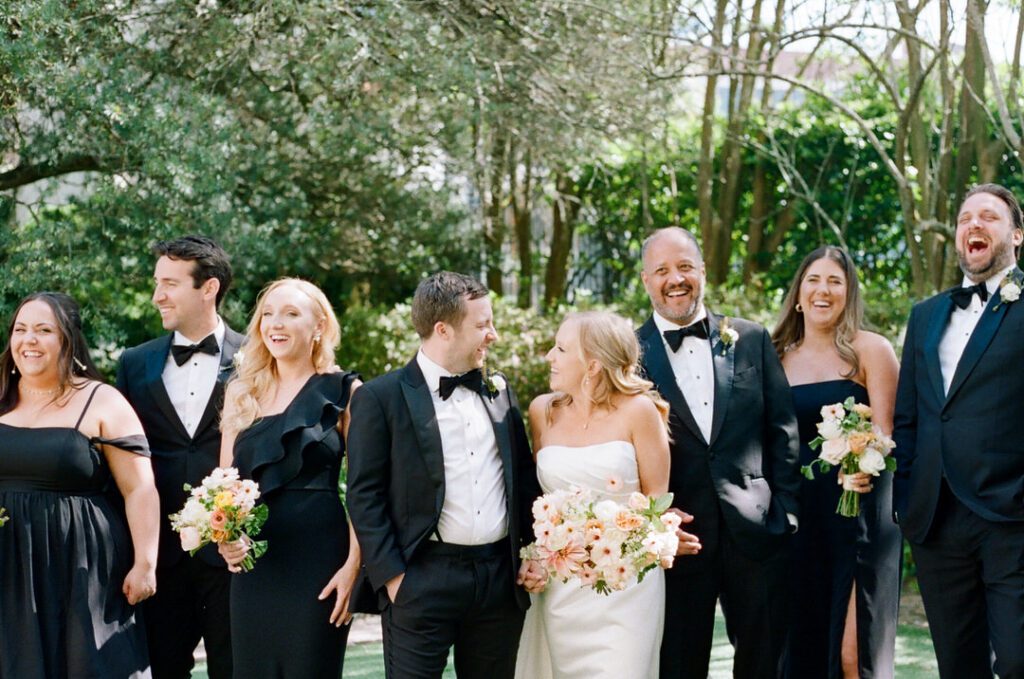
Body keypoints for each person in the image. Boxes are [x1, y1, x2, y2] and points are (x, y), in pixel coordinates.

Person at [346, 271, 540, 679]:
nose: (494, 334)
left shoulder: (499, 389)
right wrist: (395, 580)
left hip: (498, 579)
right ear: (443, 330)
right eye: (483, 324)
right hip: (421, 578)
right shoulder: (379, 398)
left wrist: (532, 550)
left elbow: (522, 476)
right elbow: (364, 495)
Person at [636, 227, 801, 679]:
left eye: (686, 267)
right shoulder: (629, 354)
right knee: (680, 663)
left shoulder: (749, 338)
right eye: (663, 270)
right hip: (679, 540)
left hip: (757, 530)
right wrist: (652, 529)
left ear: (703, 271)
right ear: (646, 280)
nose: (676, 279)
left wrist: (786, 514)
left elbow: (782, 429)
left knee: (764, 660)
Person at [893, 183, 1024, 679]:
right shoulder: (926, 315)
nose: (973, 225)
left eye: (988, 217)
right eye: (965, 217)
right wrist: (906, 500)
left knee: (1016, 659)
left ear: (1016, 235)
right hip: (936, 519)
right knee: (957, 664)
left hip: (1011, 516)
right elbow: (910, 416)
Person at [0, 292, 159, 678]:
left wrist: (145, 563)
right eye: (20, 330)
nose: (29, 340)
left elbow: (139, 488)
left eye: (43, 330)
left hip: (82, 564)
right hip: (7, 565)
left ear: (68, 339)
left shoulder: (102, 401)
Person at [216, 277, 362, 678]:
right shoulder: (241, 391)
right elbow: (223, 486)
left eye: (291, 313)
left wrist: (354, 568)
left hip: (320, 562)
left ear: (319, 326)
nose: (275, 324)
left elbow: (368, 490)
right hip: (254, 565)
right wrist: (226, 538)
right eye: (268, 314)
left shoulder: (346, 391)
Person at [514, 310, 672, 679]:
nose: (550, 357)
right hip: (560, 584)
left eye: (561, 349)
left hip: (626, 584)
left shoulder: (640, 411)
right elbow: (537, 500)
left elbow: (656, 504)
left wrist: (618, 545)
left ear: (593, 365)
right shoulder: (543, 412)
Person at [116, 235, 243, 679]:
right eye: (157, 283)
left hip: (233, 556)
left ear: (208, 288)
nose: (157, 296)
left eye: (169, 283)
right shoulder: (134, 363)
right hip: (160, 556)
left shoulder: (256, 359)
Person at [771, 246, 901, 679]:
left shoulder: (871, 350)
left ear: (849, 294)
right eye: (813, 280)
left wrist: (866, 457)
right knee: (800, 648)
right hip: (797, 522)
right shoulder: (776, 356)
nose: (822, 290)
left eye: (834, 282)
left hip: (858, 516)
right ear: (797, 294)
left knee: (852, 656)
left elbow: (886, 434)